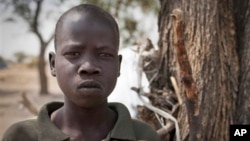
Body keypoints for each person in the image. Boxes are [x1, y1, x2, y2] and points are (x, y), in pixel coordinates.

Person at [2, 4, 160, 141]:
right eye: (73, 53)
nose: (89, 66)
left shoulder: (143, 136)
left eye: (104, 55)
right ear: (53, 64)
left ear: (118, 66)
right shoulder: (21, 136)